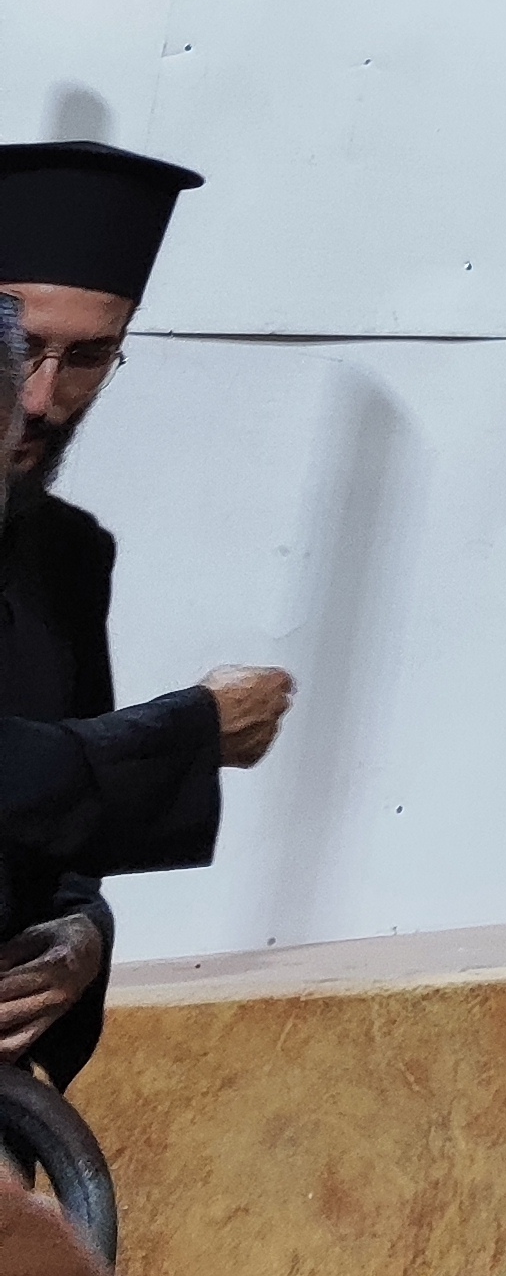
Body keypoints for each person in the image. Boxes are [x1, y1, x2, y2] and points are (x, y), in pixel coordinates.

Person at [0, 146, 295, 1082]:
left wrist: (79, 938)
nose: (42, 398)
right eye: (18, 347)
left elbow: (63, 847)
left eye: (87, 358)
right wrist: (193, 730)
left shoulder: (67, 557)